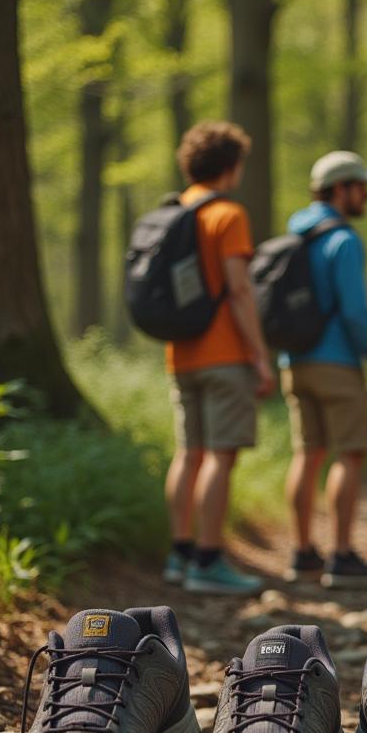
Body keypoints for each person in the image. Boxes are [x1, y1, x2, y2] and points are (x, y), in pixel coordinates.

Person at [163, 121, 274, 595]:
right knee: (221, 457)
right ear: (231, 166)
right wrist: (259, 354)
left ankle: (180, 552)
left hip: (180, 352)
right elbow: (239, 289)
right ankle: (208, 560)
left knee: (189, 453)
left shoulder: (172, 211)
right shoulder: (227, 214)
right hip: (224, 353)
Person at [281, 151, 367, 589]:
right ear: (341, 189)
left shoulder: (296, 231)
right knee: (350, 453)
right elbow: (355, 310)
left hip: (295, 359)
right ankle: (342, 555)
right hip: (337, 361)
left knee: (308, 453)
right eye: (362, 187)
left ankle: (303, 553)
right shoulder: (344, 240)